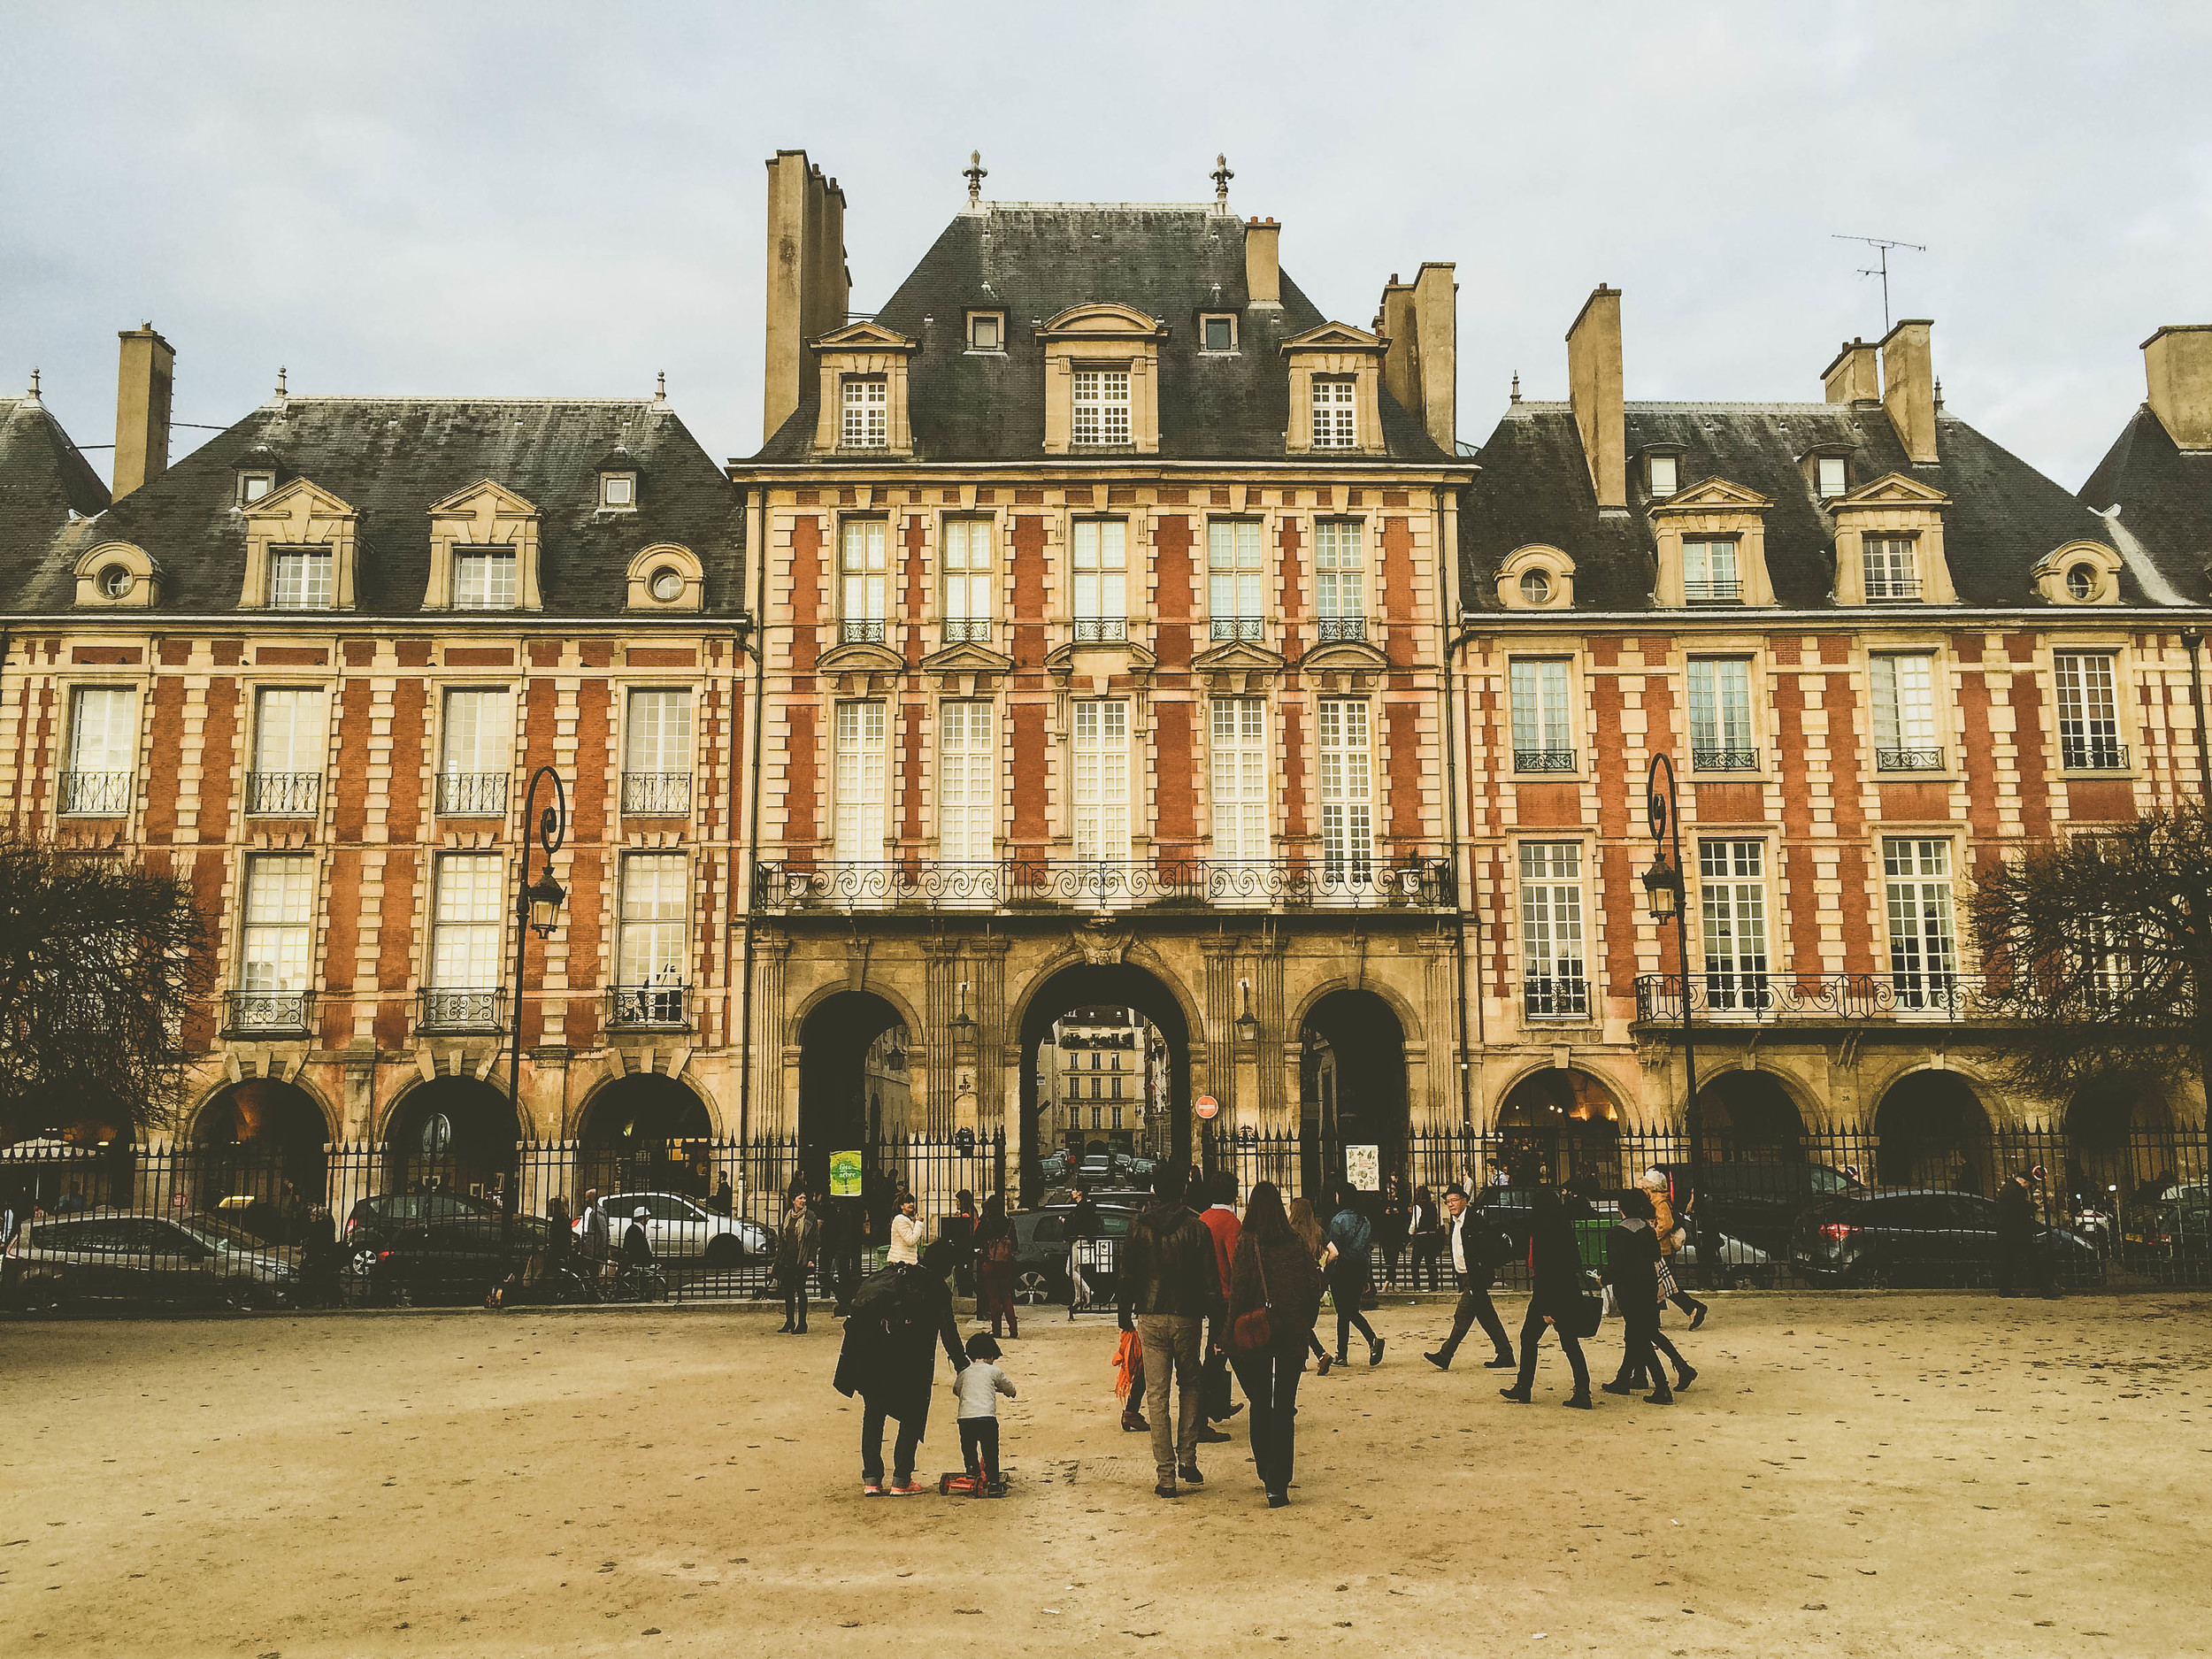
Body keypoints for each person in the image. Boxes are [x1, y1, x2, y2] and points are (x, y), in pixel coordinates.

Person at [1117, 1164, 1223, 1499]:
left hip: (1150, 1314)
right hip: (1188, 1315)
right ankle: (1188, 1457)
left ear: (1153, 1189)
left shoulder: (1138, 1226)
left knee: (1156, 1395)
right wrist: (1217, 1322)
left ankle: (1166, 1476)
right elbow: (1211, 1281)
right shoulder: (1197, 1227)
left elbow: (1127, 1274)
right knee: (1191, 1383)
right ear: (1183, 1189)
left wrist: (1124, 1315)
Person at [834, 1240, 970, 1495]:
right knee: (911, 1415)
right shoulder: (936, 1287)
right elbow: (948, 1332)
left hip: (873, 1355)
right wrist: (963, 1364)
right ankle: (901, 1478)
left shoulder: (893, 1278)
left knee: (873, 1414)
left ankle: (872, 1479)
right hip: (911, 1360)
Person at [1224, 1181, 1324, 1509]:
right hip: (1291, 1333)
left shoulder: (1248, 1243)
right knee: (1285, 1407)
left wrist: (1227, 1334)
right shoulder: (1294, 1242)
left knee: (1261, 1402)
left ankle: (1267, 1468)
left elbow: (1238, 1291)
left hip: (1258, 1331)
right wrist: (1305, 1321)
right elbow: (1314, 1285)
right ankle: (1279, 1483)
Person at [1500, 1184, 1593, 1409]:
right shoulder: (1563, 1226)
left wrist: (1546, 1308)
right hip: (1568, 1292)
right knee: (1570, 1342)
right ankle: (1582, 1389)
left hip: (1549, 1295)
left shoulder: (1544, 1230)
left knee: (1529, 1338)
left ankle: (1524, 1387)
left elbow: (1547, 1270)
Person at [1424, 1183, 1516, 1371]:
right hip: (1466, 1276)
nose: (1451, 1204)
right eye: (1448, 1201)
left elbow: (1485, 1248)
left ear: (1464, 1200)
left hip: (1476, 1276)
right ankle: (1505, 1353)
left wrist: (1481, 1272)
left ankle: (1445, 1354)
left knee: (1462, 1315)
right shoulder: (1456, 1222)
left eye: (1454, 1200)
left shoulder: (1474, 1220)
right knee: (1487, 1316)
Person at [1601, 1188, 1672, 1405]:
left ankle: (1662, 1386)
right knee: (1636, 1335)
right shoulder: (1648, 1230)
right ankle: (1624, 1378)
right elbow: (1655, 1255)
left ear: (1620, 1207)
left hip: (1628, 1290)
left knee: (1639, 1337)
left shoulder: (1616, 1233)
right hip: (1647, 1286)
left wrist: (1604, 1279)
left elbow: (1616, 1266)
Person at [1197, 1170, 1244, 1439]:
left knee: (1215, 1354)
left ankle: (1216, 1405)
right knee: (1219, 1355)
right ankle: (1205, 1413)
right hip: (1226, 1297)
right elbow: (1236, 1264)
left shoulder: (1203, 1218)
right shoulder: (1230, 1223)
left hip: (1205, 1294)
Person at [951, 1331, 1017, 1496]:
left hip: (965, 1418)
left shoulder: (965, 1373)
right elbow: (1008, 1387)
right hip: (986, 1417)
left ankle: (972, 1473)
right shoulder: (993, 1370)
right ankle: (993, 1482)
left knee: (968, 1447)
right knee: (990, 1450)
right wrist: (1011, 1393)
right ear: (991, 1355)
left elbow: (957, 1389)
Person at [1324, 1186, 1382, 1368]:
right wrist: (1368, 1277)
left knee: (1345, 1311)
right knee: (1348, 1311)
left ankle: (1370, 1340)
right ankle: (1342, 1354)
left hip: (1342, 1270)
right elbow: (1366, 1250)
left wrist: (1326, 1270)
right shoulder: (1364, 1220)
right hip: (1359, 1268)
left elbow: (1333, 1249)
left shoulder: (1338, 1220)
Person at [1642, 1169, 1708, 1328]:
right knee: (1659, 1285)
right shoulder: (1655, 1200)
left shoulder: (1660, 1202)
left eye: (1645, 1184)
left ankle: (1693, 1308)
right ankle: (1654, 1320)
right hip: (1658, 1249)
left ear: (1652, 1186)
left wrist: (1651, 1237)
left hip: (1661, 1249)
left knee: (1665, 1286)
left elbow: (1665, 1224)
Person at [1997, 1165, 2062, 1299]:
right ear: (2023, 1182)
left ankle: (2005, 1289)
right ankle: (2045, 1290)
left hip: (2007, 1231)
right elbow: (2019, 1209)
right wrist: (2035, 1205)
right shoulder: (2016, 1191)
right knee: (2033, 1261)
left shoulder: (2007, 1188)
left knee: (2008, 1262)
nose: (2027, 1187)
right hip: (2018, 1232)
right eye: (2028, 1185)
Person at [1286, 1196, 1334, 1375]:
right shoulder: (1317, 1230)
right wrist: (1322, 1266)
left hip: (1295, 1278)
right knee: (1302, 1319)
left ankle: (1320, 1354)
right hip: (1314, 1278)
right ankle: (1303, 1359)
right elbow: (1334, 1252)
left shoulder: (1290, 1231)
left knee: (1296, 1320)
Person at [973, 1193, 1019, 1339]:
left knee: (993, 1298)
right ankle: (1013, 1329)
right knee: (1006, 1296)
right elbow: (1016, 1245)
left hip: (990, 1262)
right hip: (1005, 1263)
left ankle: (997, 1330)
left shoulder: (986, 1222)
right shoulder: (1009, 1223)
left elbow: (975, 1241)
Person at [776, 1191, 820, 1333]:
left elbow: (814, 1240)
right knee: (788, 1291)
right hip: (788, 1258)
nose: (803, 1201)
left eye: (804, 1198)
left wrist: (811, 1259)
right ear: (793, 1200)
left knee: (800, 1289)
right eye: (800, 1198)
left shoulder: (810, 1216)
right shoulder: (788, 1215)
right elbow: (783, 1238)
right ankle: (789, 1321)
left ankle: (802, 1323)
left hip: (802, 1257)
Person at [822, 1194, 864, 1317]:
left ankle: (846, 1298)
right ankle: (843, 1295)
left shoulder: (853, 1207)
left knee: (852, 1272)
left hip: (849, 1242)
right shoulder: (832, 1206)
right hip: (834, 1242)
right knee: (824, 1274)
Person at [1064, 1182, 1102, 1310]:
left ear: (1080, 1192)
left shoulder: (1081, 1208)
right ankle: (1078, 1298)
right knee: (1076, 1269)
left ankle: (1088, 1292)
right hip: (1084, 1240)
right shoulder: (1087, 1207)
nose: (1072, 1192)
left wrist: (1065, 1221)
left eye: (1074, 1190)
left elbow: (1077, 1223)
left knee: (1070, 1270)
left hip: (1079, 1240)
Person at [1407, 1184, 1446, 1292]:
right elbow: (1440, 1222)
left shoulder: (1418, 1206)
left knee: (1415, 1264)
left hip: (1421, 1237)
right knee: (1431, 1263)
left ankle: (1417, 1287)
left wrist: (1410, 1233)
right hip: (1432, 1236)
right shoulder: (1434, 1207)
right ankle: (1433, 1286)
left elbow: (1414, 1223)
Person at [941, 1189, 979, 1300]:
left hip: (965, 1249)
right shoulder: (972, 1212)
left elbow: (964, 1232)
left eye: (957, 1201)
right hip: (968, 1248)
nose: (956, 1203)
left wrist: (958, 1220)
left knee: (963, 1274)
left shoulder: (967, 1215)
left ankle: (966, 1297)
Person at [1379, 1176, 1409, 1291]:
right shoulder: (1383, 1203)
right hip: (1386, 1236)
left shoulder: (1401, 1203)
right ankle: (1391, 1283)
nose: (1391, 1192)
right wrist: (1384, 1213)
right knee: (1389, 1261)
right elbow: (1378, 1220)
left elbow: (1405, 1218)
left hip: (1396, 1236)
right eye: (1389, 1190)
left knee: (1393, 1261)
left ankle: (1387, 1283)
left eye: (1393, 1190)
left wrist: (1399, 1212)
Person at [578, 1187, 611, 1292]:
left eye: (587, 1198)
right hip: (593, 1247)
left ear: (591, 1199)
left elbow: (603, 1230)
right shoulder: (595, 1212)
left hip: (595, 1249)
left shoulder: (597, 1213)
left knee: (593, 1270)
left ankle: (595, 1291)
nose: (585, 1200)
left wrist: (604, 1246)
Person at [888, 1192, 923, 1266]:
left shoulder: (908, 1219)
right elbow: (910, 1240)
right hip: (901, 1261)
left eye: (912, 1202)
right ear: (902, 1206)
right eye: (908, 1202)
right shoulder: (900, 1219)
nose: (911, 1204)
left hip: (906, 1260)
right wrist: (919, 1223)